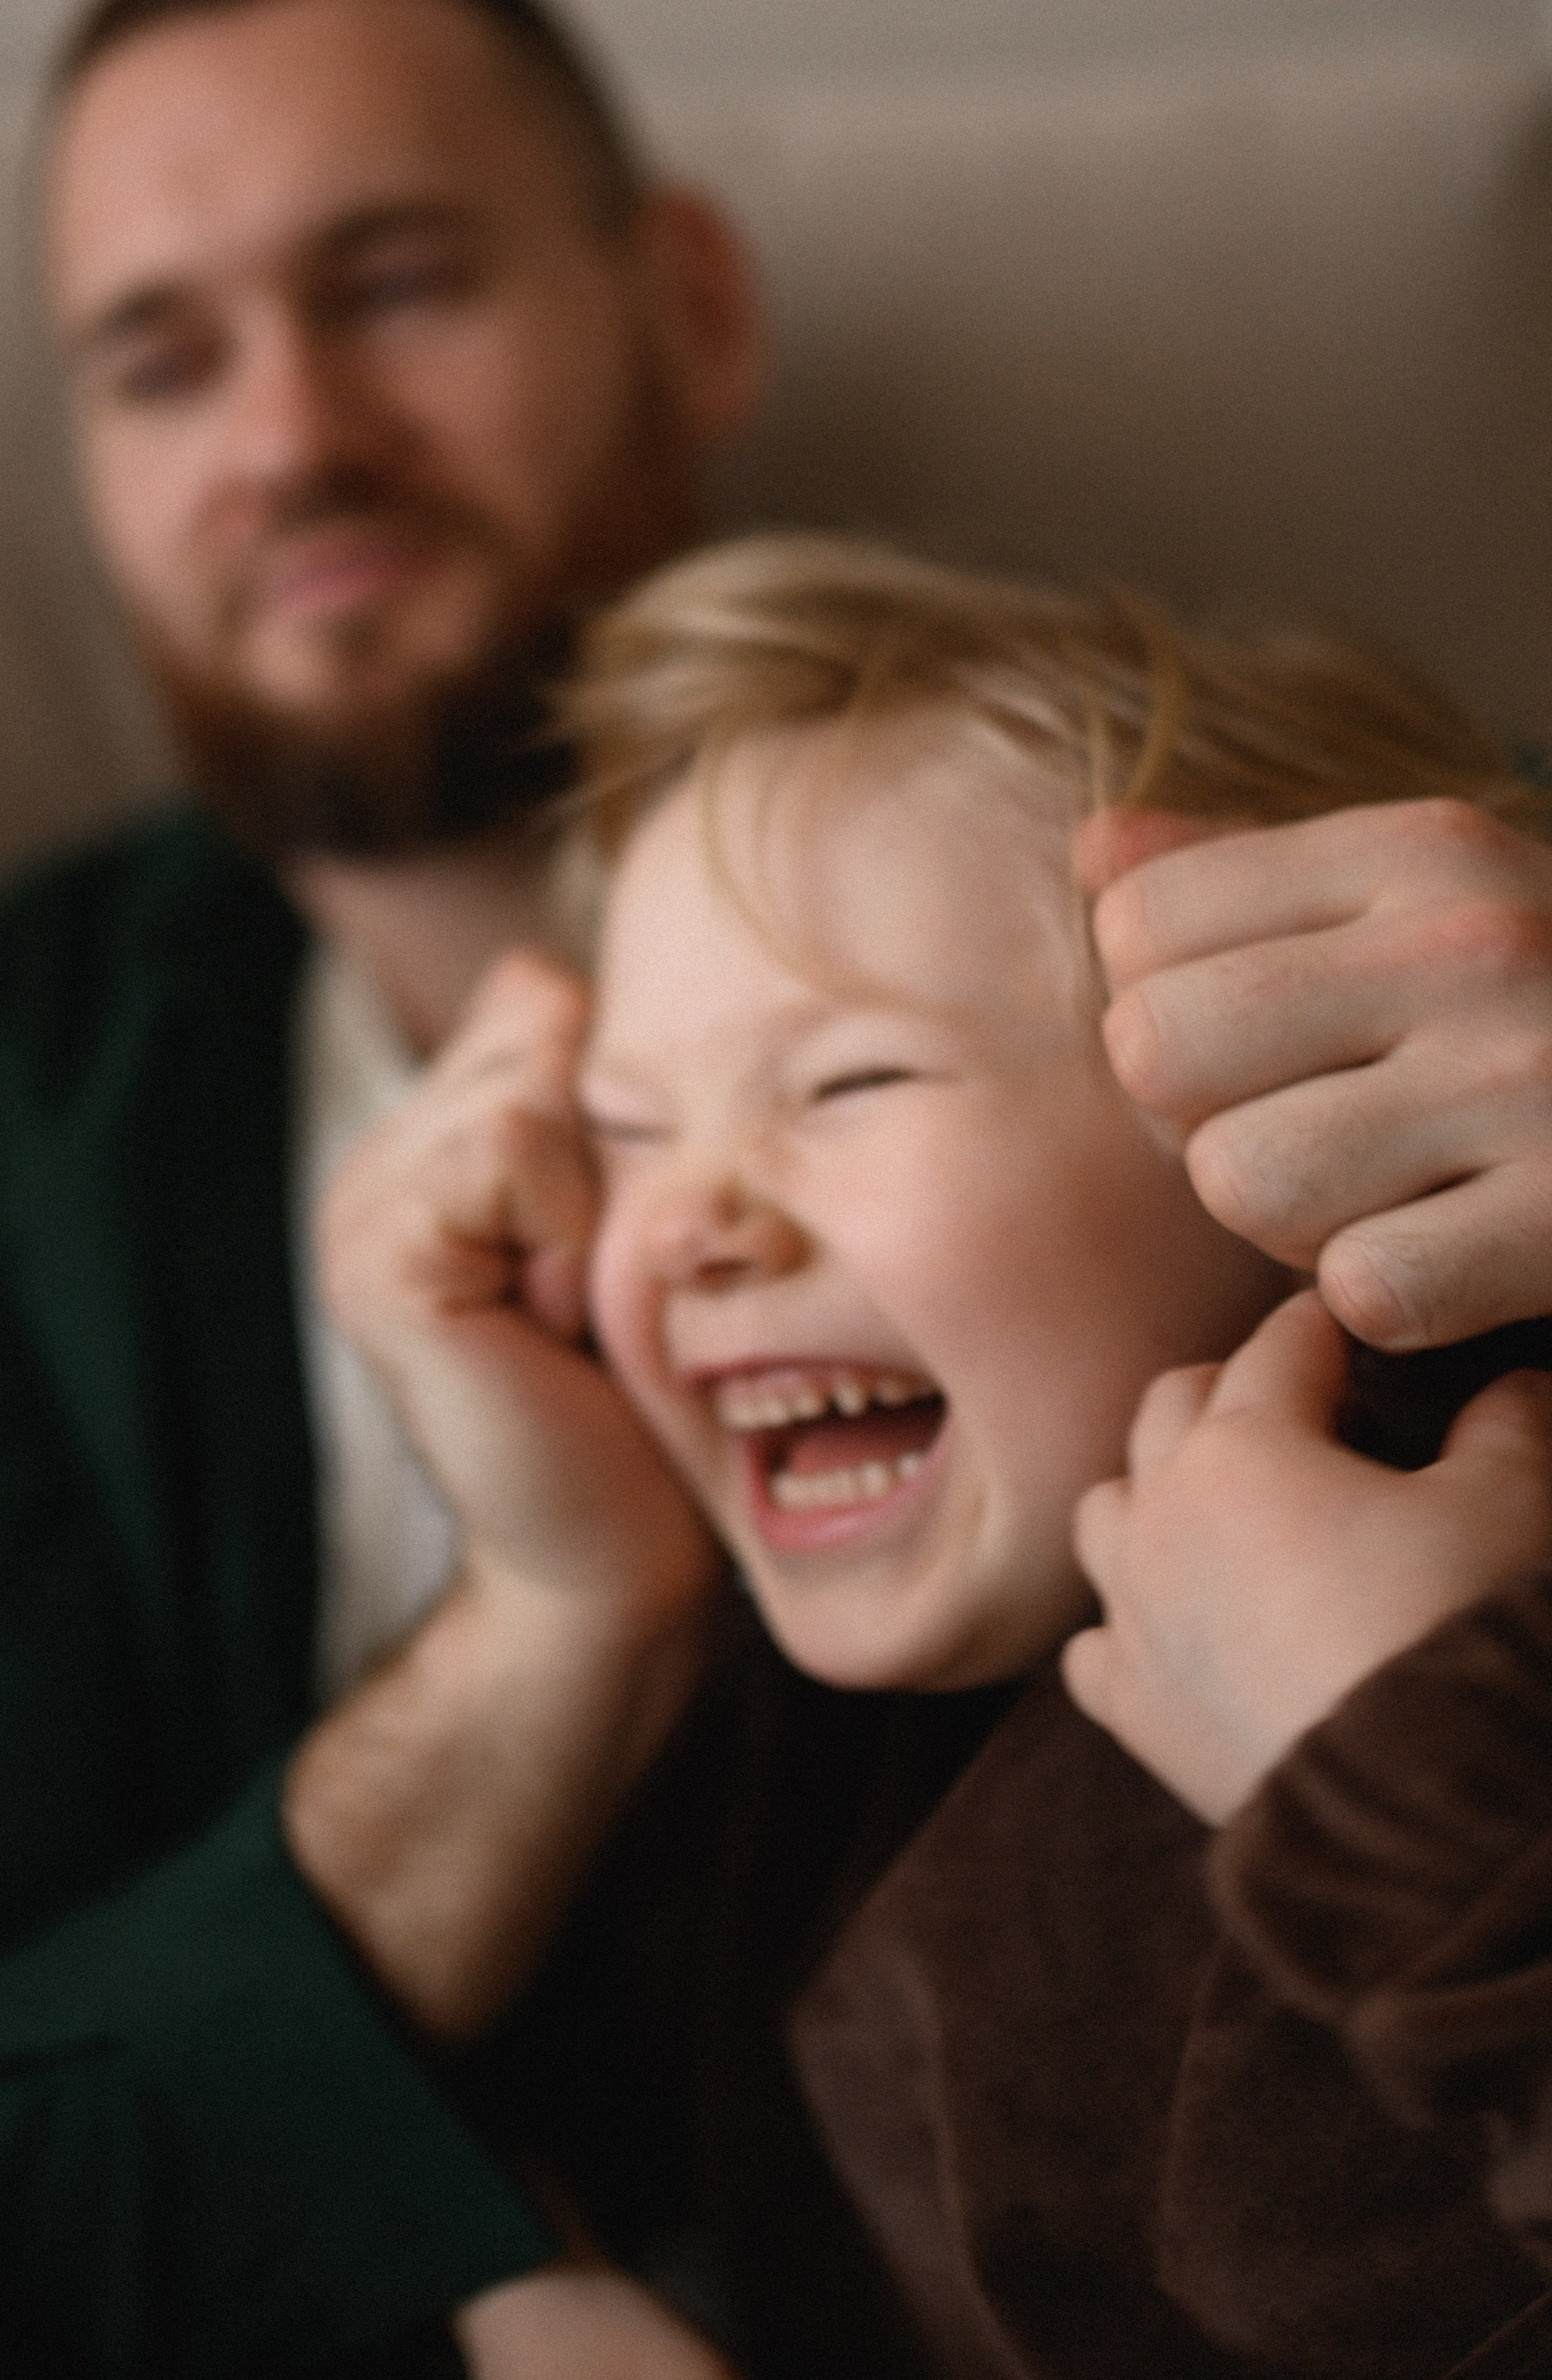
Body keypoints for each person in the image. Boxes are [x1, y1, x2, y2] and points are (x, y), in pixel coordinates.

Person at [0, 0, 1552, 2375]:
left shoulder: (1212, 840)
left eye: (396, 281)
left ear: (684, 301)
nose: (286, 434)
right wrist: (555, 1634)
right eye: (158, 361)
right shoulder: (8, 1101)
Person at [329, 527, 1552, 2371]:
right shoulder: (776, 1733)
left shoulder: (1480, 1577)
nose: (695, 1221)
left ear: (1314, 1127)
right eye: (629, 1130)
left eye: (848, 1082)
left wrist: (1400, 1755)